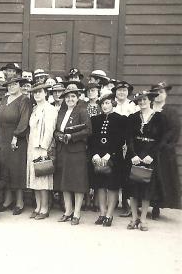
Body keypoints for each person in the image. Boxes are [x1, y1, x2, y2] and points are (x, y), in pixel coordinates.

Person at [53, 86, 92, 225]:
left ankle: (77, 213)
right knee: (65, 182)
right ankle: (68, 211)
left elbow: (88, 130)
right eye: (67, 97)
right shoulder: (62, 112)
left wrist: (71, 136)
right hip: (63, 151)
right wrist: (59, 136)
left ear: (77, 98)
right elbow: (56, 130)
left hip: (76, 152)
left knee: (77, 183)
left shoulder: (81, 111)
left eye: (73, 97)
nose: (70, 99)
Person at [88, 93, 128, 227]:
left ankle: (109, 215)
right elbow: (91, 139)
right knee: (100, 186)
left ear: (113, 104)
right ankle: (102, 213)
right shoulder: (95, 119)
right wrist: (94, 154)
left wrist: (109, 154)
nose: (105, 106)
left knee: (112, 187)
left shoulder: (120, 119)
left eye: (108, 103)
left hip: (114, 158)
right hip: (98, 158)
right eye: (103, 104)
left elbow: (120, 139)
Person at [126, 90, 163, 231]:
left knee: (147, 188)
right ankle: (134, 218)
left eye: (145, 100)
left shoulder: (159, 118)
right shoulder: (133, 117)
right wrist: (132, 155)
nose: (142, 102)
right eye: (139, 100)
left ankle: (143, 220)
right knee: (133, 188)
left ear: (150, 101)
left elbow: (162, 140)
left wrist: (152, 155)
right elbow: (129, 138)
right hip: (136, 155)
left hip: (150, 156)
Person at [0, 77, 31, 215]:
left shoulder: (24, 100)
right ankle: (8, 199)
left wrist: (16, 136)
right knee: (5, 169)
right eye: (9, 85)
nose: (11, 87)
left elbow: (24, 120)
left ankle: (19, 202)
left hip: (16, 139)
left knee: (16, 169)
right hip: (3, 139)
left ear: (20, 85)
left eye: (14, 84)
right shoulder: (4, 99)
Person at [26, 83, 59, 219]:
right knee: (34, 177)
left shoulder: (50, 109)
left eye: (40, 92)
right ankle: (38, 206)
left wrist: (44, 146)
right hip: (32, 146)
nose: (37, 94)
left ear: (46, 93)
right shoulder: (34, 109)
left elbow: (50, 130)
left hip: (42, 148)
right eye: (35, 93)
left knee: (43, 177)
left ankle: (45, 208)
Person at [149, 82, 180, 215]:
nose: (158, 95)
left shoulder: (171, 112)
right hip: (147, 149)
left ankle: (157, 206)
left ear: (166, 94)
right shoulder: (147, 109)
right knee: (146, 177)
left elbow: (174, 130)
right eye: (156, 93)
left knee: (162, 177)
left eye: (161, 92)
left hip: (163, 152)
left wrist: (162, 145)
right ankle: (144, 204)